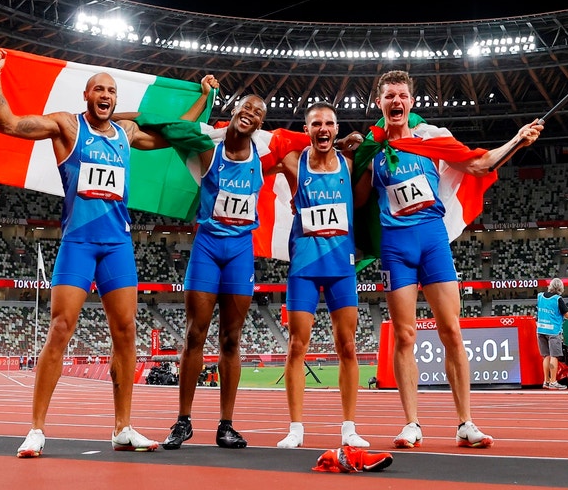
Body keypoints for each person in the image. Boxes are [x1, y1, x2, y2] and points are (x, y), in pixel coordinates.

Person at [0, 47, 162, 457]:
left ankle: (122, 428)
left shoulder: (126, 133)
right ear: (86, 95)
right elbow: (7, 123)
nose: (106, 95)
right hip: (79, 242)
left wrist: (201, 100)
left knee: (126, 332)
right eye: (99, 89)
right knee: (61, 328)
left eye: (112, 91)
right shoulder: (67, 125)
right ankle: (36, 429)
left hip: (118, 244)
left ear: (116, 100)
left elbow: (172, 134)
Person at [352, 70, 543, 448]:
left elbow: (480, 164)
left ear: (410, 102)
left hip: (433, 241)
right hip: (395, 248)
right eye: (389, 96)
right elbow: (356, 201)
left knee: (452, 330)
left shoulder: (432, 139)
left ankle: (465, 423)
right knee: (404, 335)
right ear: (380, 103)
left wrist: (517, 141)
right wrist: (350, 155)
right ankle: (411, 424)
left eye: (402, 95)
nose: (396, 101)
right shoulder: (372, 152)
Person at [122, 77, 308, 449]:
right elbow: (170, 126)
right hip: (207, 249)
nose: (251, 113)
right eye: (246, 106)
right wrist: (204, 96)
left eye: (259, 113)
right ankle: (183, 421)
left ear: (260, 124)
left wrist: (297, 191)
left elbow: (303, 159)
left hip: (240, 253)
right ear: (234, 111)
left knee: (231, 340)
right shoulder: (209, 149)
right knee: (195, 335)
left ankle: (226, 425)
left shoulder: (264, 158)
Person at [274, 101, 368, 449]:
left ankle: (349, 428)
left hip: (341, 266)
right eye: (316, 124)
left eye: (329, 123)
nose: (323, 128)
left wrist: (352, 143)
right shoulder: (293, 163)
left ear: (336, 128)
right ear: (307, 130)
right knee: (297, 346)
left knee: (348, 346)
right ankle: (296, 428)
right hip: (304, 267)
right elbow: (264, 149)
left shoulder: (350, 163)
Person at [536, 278, 568, 390]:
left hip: (541, 329)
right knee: (554, 357)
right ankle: (553, 381)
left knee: (546, 356)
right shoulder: (558, 299)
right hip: (553, 331)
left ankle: (546, 381)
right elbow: (567, 315)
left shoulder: (540, 296)